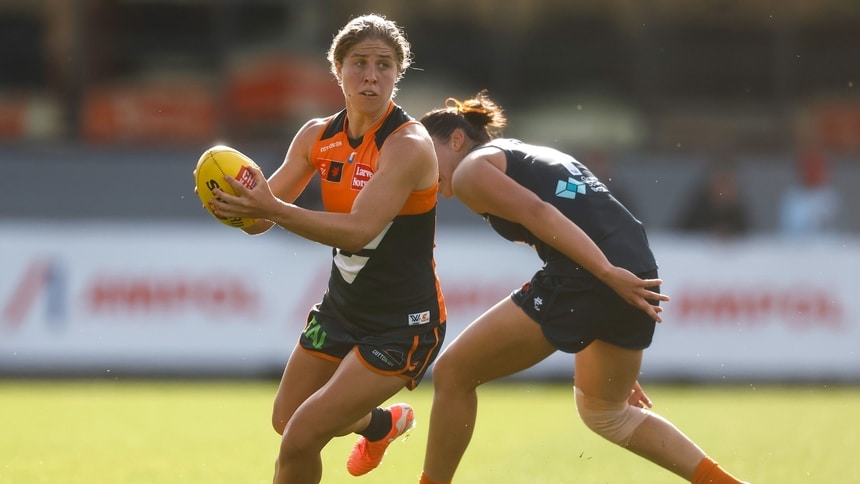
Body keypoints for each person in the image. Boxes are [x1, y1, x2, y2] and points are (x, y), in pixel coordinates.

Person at [416, 91, 746, 484]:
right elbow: (589, 214)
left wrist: (606, 276)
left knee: (452, 372)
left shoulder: (471, 171)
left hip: (599, 274)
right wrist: (603, 316)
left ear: (456, 140)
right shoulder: (521, 151)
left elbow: (540, 214)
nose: (417, 170)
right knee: (605, 412)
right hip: (636, 266)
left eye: (422, 155)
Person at [199, 14, 446, 484]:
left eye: (384, 65)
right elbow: (259, 222)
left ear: (398, 73)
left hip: (402, 324)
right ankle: (383, 424)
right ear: (337, 69)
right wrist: (232, 204)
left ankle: (380, 423)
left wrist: (268, 206)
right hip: (343, 310)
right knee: (286, 419)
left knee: (300, 436)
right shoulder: (316, 135)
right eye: (359, 63)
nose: (371, 75)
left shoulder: (407, 144)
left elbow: (357, 231)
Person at [674, 157, 750, 238]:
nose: (725, 188)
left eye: (729, 183)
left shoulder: (737, 209)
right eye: (722, 181)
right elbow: (682, 233)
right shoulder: (698, 207)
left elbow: (748, 233)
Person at [778, 150, 843, 237]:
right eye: (808, 167)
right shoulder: (791, 196)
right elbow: (785, 227)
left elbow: (838, 228)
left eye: (816, 167)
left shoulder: (832, 197)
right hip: (795, 246)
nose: (812, 171)